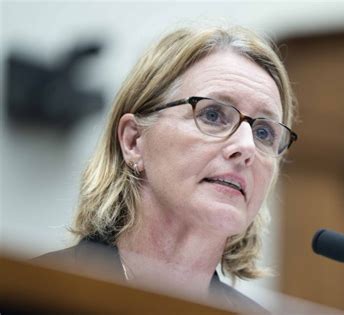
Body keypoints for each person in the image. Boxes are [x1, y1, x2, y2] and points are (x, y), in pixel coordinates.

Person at [34, 24, 298, 313]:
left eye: (264, 133)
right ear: (134, 141)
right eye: (213, 115)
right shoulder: (26, 293)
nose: (246, 146)